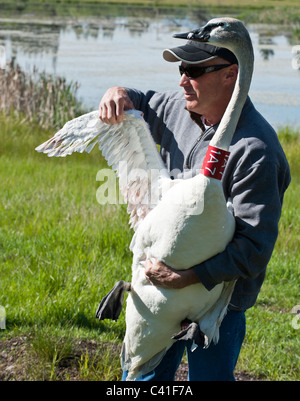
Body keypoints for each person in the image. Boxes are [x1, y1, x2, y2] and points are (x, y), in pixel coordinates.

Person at [98, 30, 291, 381]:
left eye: (195, 70)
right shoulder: (178, 108)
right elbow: (142, 100)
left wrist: (188, 278)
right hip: (158, 287)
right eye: (181, 69)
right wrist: (120, 93)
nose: (183, 80)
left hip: (217, 299)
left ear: (230, 74)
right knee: (141, 377)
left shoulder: (255, 152)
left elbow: (254, 248)